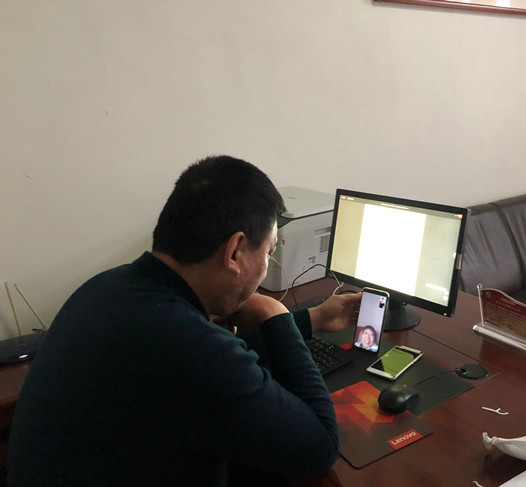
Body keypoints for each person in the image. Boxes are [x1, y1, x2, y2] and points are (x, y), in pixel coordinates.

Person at [7, 155, 361, 487]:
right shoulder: (188, 348)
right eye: (268, 252)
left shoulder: (108, 287)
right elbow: (320, 446)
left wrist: (311, 320)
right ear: (235, 252)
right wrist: (275, 315)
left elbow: (210, 363)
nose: (267, 267)